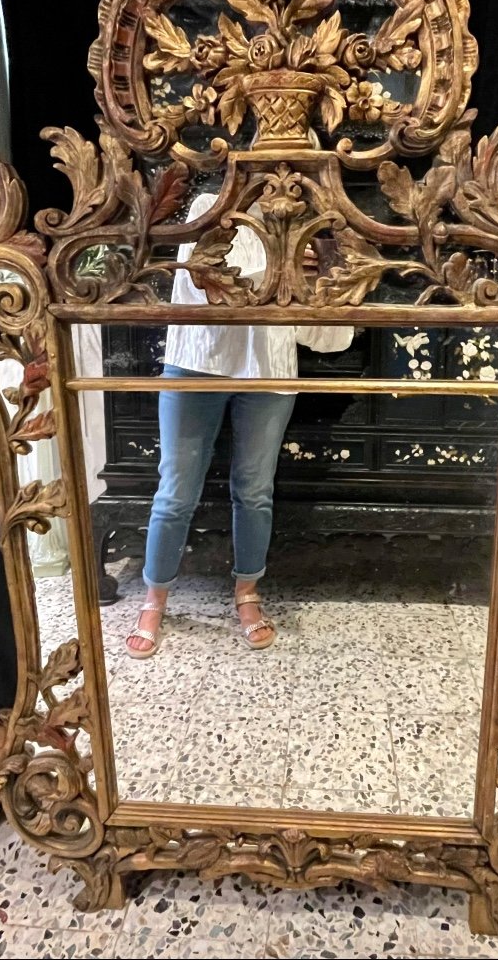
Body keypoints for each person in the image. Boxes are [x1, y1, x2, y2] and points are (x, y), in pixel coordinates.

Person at [126, 192, 353, 658]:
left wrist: (326, 285)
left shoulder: (307, 224)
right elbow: (199, 285)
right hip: (196, 362)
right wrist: (283, 272)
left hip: (270, 368)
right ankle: (153, 600)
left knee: (254, 490)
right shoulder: (213, 202)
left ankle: (247, 594)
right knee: (176, 490)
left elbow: (323, 335)